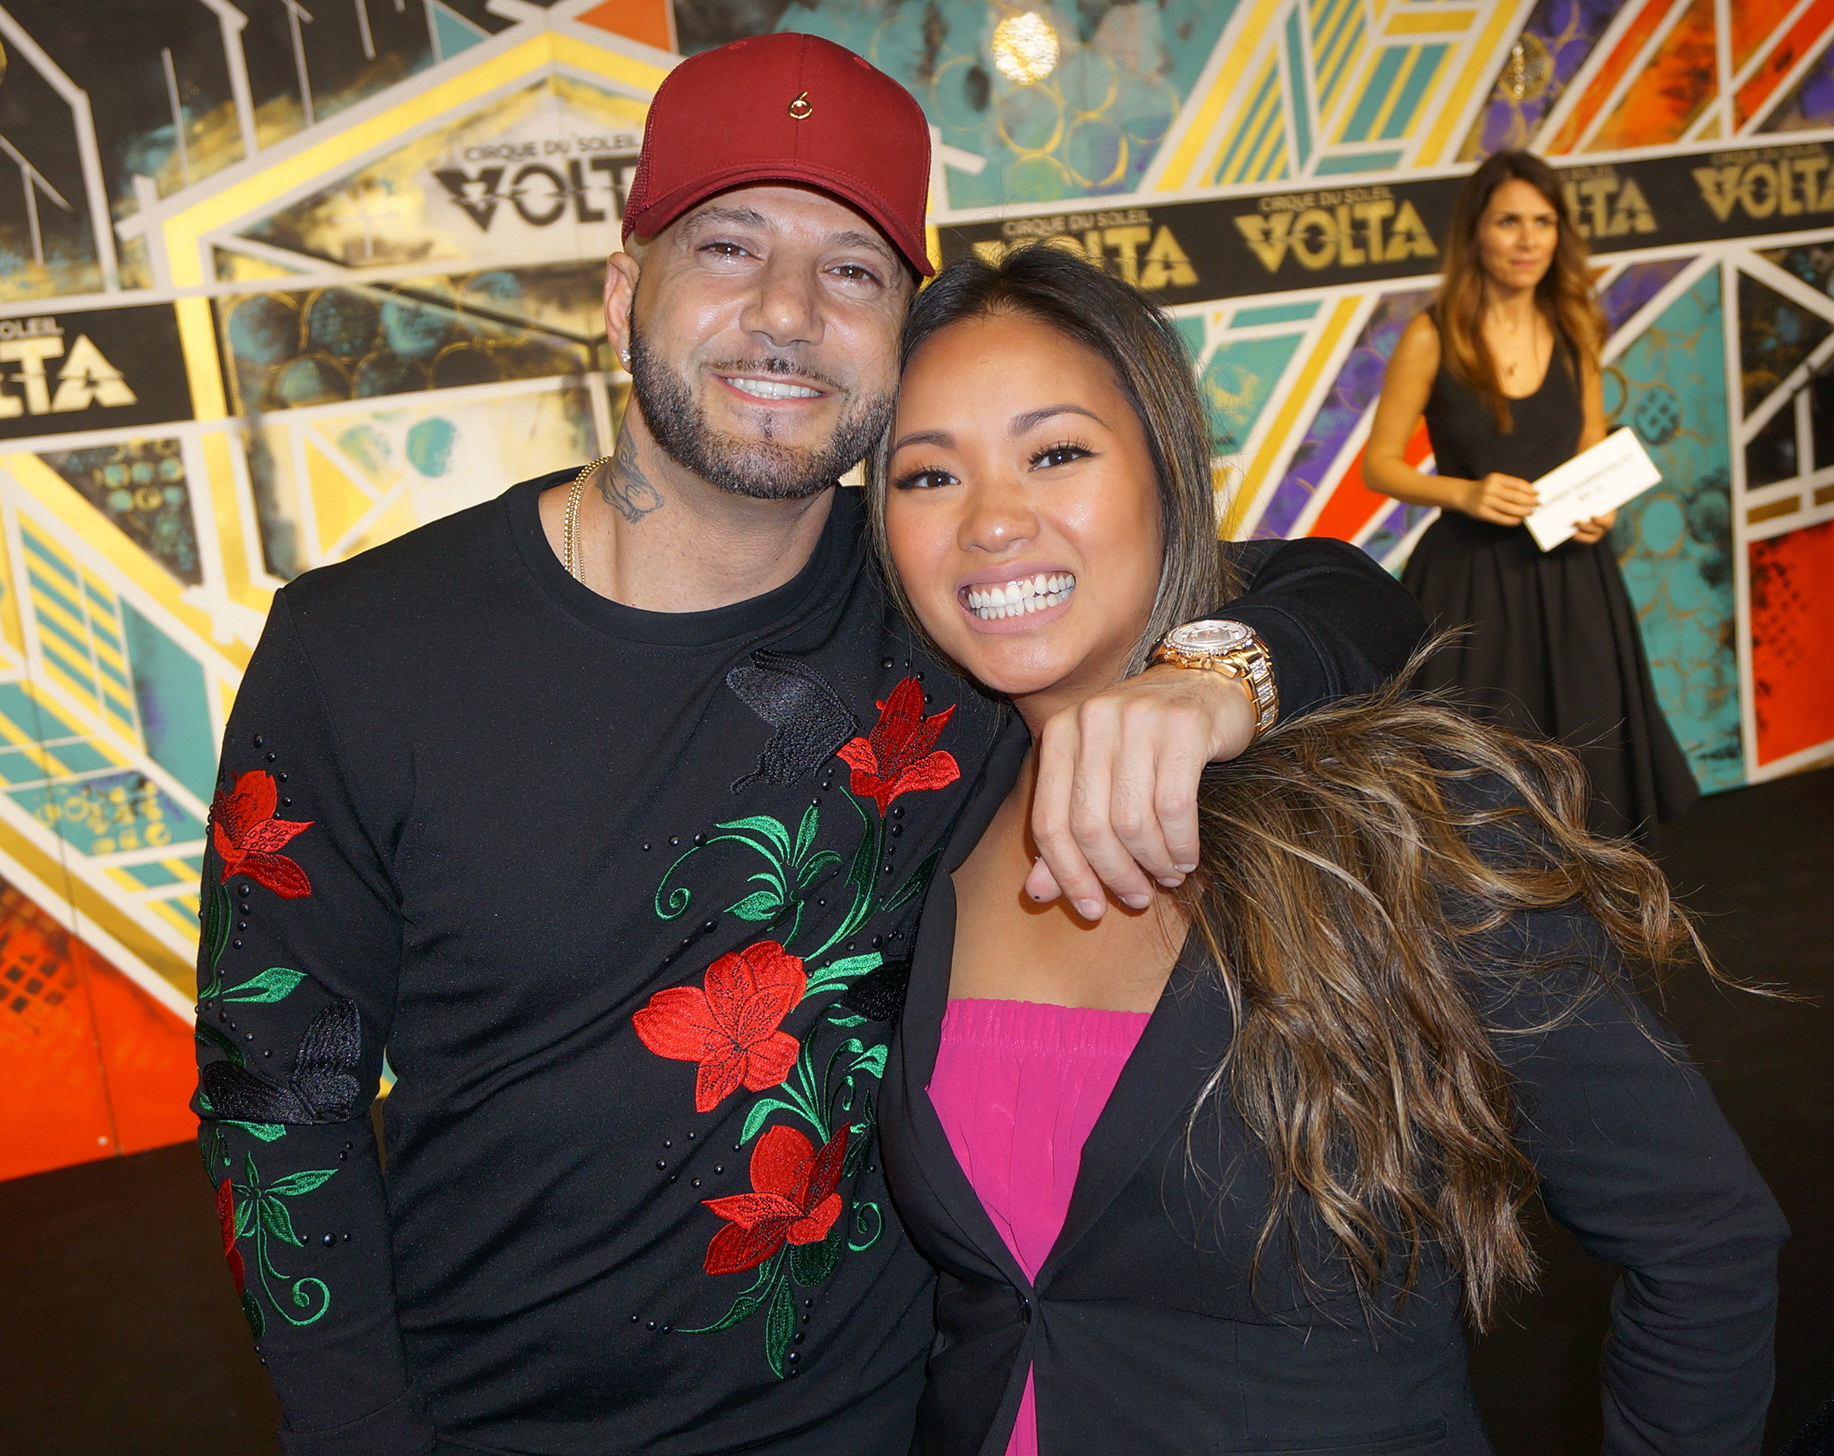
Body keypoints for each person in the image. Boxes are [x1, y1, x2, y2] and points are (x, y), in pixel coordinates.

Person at [192, 34, 1428, 1456]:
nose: (785, 312)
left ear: (899, 335)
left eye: (851, 270)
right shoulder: (360, 651)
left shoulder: (951, 611)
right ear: (621, 293)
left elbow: (1343, 595)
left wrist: (1214, 681)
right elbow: (275, 1103)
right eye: (729, 247)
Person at [872, 245, 1784, 1455]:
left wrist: (1223, 674)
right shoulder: (930, 817)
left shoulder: (1386, 821)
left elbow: (1703, 1242)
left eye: (1056, 453)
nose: (992, 520)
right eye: (928, 474)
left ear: (1167, 472)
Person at [1364, 150, 1697, 843]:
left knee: (1593, 775)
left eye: (1543, 222)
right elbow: (1380, 466)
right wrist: (1466, 492)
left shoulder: (1576, 325)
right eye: (1508, 221)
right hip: (1472, 586)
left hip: (1575, 580)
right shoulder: (1431, 335)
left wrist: (1603, 507)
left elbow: (1591, 446)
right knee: (1476, 784)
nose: (1527, 241)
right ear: (1475, 232)